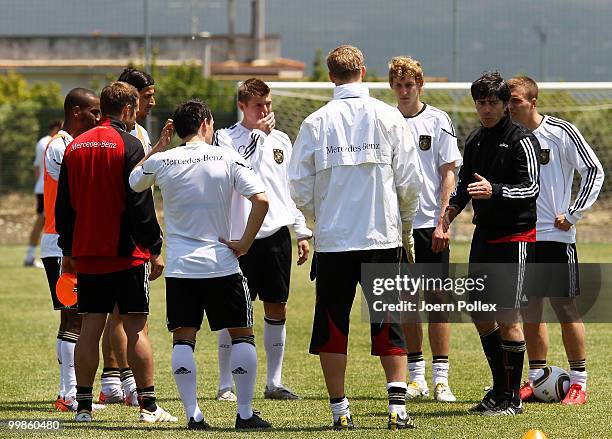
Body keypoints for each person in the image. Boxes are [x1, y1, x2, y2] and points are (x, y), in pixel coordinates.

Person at [289, 45, 422, 430]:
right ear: (363, 71)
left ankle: (339, 411)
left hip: (333, 243)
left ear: (330, 76)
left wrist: (320, 216)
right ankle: (397, 410)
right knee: (388, 320)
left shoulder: (315, 122)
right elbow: (410, 181)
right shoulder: (389, 116)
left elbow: (297, 186)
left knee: (333, 324)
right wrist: (406, 225)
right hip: (382, 238)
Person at [129, 99, 272, 430]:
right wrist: (245, 243)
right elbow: (262, 200)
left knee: (183, 340)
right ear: (207, 123)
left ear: (177, 129)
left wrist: (159, 146)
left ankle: (194, 414)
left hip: (181, 267)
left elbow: (134, 181)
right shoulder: (228, 157)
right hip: (222, 263)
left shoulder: (165, 160)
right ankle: (246, 414)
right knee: (242, 336)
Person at [55, 81, 176, 424]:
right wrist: (154, 247)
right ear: (127, 109)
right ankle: (149, 407)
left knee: (90, 325)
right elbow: (140, 202)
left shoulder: (75, 146)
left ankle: (82, 407)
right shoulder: (130, 144)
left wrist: (69, 248)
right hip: (126, 253)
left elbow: (64, 207)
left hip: (88, 252)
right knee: (136, 326)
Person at [443, 72, 541, 416]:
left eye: (493, 103)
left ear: (504, 105)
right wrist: (451, 211)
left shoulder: (521, 140)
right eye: (481, 103)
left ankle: (512, 399)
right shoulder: (475, 141)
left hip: (514, 237)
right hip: (483, 235)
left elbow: (532, 189)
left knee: (507, 315)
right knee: (481, 313)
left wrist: (495, 190)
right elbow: (464, 183)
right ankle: (499, 390)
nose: (486, 109)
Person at [507, 75, 604, 405]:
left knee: (565, 307)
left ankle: (579, 382)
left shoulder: (560, 132)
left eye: (515, 100)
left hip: (556, 236)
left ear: (532, 101)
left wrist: (573, 213)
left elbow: (594, 169)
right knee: (529, 308)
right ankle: (535, 379)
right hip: (522, 236)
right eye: (507, 99)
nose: (509, 105)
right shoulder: (508, 137)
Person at [213, 77, 312, 402]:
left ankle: (274, 382)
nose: (266, 111)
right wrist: (258, 136)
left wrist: (300, 230)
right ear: (242, 106)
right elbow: (244, 173)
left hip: (275, 237)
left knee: (277, 306)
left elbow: (288, 190)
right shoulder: (224, 139)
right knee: (234, 312)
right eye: (259, 106)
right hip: (240, 238)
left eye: (268, 104)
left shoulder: (282, 139)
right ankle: (226, 384)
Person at [389, 56, 462, 402]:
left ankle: (442, 379)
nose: (404, 91)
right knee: (405, 302)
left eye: (410, 85)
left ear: (420, 85)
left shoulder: (438, 120)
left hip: (430, 225)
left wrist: (443, 220)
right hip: (396, 228)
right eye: (399, 85)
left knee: (438, 301)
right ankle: (416, 376)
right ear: (392, 87)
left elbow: (449, 172)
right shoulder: (384, 120)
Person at [96, 67, 158, 407]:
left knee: (114, 313)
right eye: (147, 97)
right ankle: (124, 382)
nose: (152, 102)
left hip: (121, 234)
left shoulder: (140, 134)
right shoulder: (116, 135)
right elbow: (136, 193)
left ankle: (114, 380)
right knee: (123, 313)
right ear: (130, 100)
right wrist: (154, 241)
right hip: (123, 236)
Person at [41, 91, 101, 412]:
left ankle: (72, 391)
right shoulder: (59, 146)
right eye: (93, 112)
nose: (97, 118)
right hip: (60, 244)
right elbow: (83, 185)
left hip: (74, 243)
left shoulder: (72, 144)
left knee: (77, 316)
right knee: (72, 318)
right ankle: (68, 393)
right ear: (76, 112)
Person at [25, 120, 63, 267]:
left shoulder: (44, 142)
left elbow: (36, 167)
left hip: (43, 187)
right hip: (46, 189)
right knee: (43, 221)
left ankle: (30, 255)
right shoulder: (50, 142)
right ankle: (30, 255)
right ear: (54, 128)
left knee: (43, 221)